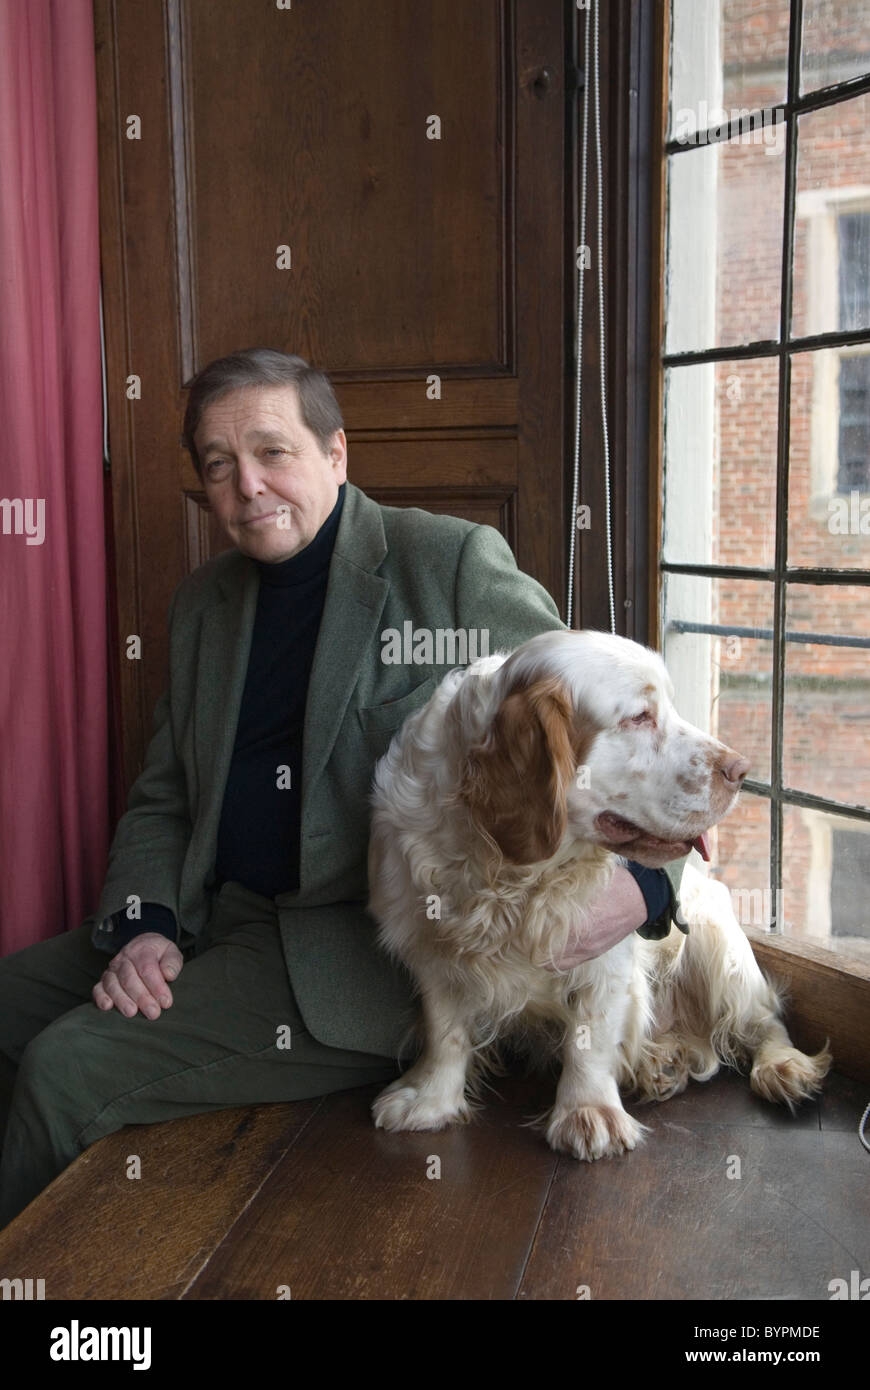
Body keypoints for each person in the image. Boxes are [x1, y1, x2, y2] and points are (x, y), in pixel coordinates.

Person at [0, 349, 686, 1227]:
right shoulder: (203, 604)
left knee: (64, 1070)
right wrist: (144, 924)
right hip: (205, 916)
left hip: (353, 952)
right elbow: (165, 795)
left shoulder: (449, 565)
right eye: (218, 464)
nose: (247, 485)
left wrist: (653, 883)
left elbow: (600, 739)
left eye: (272, 451)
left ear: (336, 455)